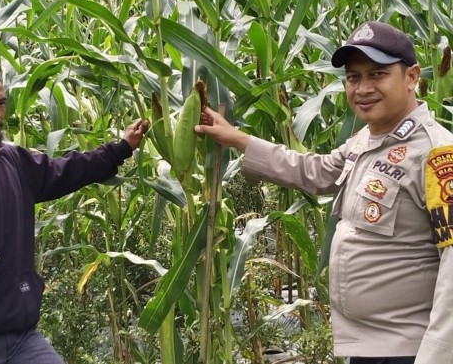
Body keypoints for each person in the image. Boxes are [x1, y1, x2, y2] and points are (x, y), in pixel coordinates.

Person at [194, 21, 453, 364]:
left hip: (409, 350)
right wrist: (239, 139)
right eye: (353, 77)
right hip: (366, 348)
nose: (362, 88)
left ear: (411, 76)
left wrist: (436, 357)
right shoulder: (366, 140)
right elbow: (313, 170)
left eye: (377, 75)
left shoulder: (437, 155)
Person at [0, 63, 148, 364]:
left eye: (0, 102)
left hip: (22, 337)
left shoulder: (10, 160)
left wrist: (120, 149)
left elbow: (64, 172)